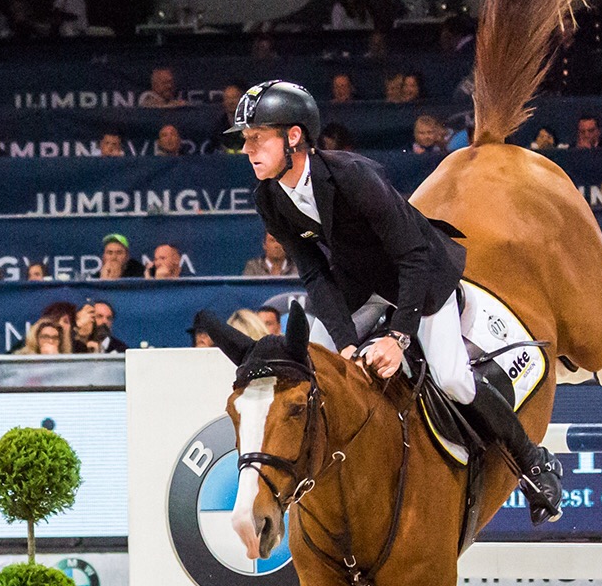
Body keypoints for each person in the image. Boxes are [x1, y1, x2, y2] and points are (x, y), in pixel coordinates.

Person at [224, 79, 563, 524]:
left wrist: (398, 338)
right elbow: (314, 274)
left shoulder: (353, 176)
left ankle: (534, 464)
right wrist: (345, 343)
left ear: (294, 137)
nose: (248, 149)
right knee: (315, 367)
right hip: (361, 289)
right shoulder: (268, 196)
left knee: (453, 379)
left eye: (257, 137)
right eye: (245, 140)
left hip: (420, 278)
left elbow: (413, 255)